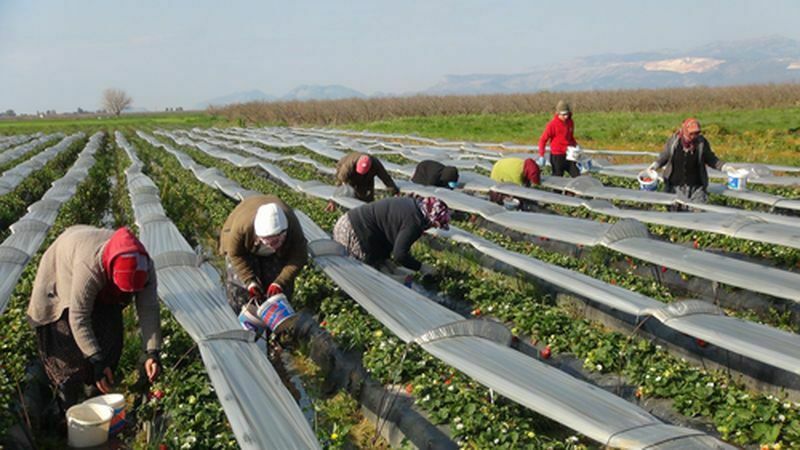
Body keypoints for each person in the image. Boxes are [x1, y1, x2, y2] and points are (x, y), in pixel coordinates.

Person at [26, 226, 162, 413]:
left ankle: (94, 394)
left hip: (102, 284)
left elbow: (149, 308)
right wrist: (95, 358)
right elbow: (79, 316)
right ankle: (67, 409)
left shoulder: (145, 266)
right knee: (67, 350)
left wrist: (152, 351)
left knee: (110, 339)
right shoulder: (89, 267)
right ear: (111, 273)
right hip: (63, 272)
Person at [219, 195, 307, 320]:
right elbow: (235, 254)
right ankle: (242, 321)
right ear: (258, 236)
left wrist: (279, 283)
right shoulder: (242, 227)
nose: (271, 246)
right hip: (244, 249)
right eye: (267, 242)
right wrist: (250, 282)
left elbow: (300, 256)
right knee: (240, 289)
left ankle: (277, 326)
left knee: (277, 291)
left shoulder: (292, 227)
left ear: (284, 234)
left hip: (273, 245)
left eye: (276, 242)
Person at [332, 196, 450, 278]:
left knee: (379, 266)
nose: (432, 227)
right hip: (354, 231)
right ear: (430, 218)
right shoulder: (415, 222)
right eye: (435, 225)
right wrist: (421, 267)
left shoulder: (412, 205)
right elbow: (400, 255)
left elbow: (386, 229)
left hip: (346, 221)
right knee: (364, 276)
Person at [649, 118, 730, 204]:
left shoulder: (701, 143)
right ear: (685, 131)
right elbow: (664, 156)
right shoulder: (674, 142)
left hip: (696, 188)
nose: (694, 136)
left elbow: (711, 159)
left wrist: (725, 167)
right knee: (675, 215)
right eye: (691, 133)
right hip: (674, 187)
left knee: (697, 215)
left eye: (697, 133)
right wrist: (655, 165)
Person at [334, 152, 399, 202]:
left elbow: (386, 178)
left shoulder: (376, 164)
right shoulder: (348, 166)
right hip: (351, 175)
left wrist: (394, 191)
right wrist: (334, 199)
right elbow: (340, 180)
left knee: (367, 196)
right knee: (351, 192)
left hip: (367, 177)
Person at [538, 100, 579, 177]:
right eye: (563, 115)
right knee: (558, 178)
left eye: (567, 114)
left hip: (569, 154)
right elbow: (542, 140)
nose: (565, 116)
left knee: (577, 175)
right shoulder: (552, 125)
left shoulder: (570, 122)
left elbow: (571, 137)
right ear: (558, 114)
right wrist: (541, 155)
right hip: (557, 156)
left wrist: (576, 146)